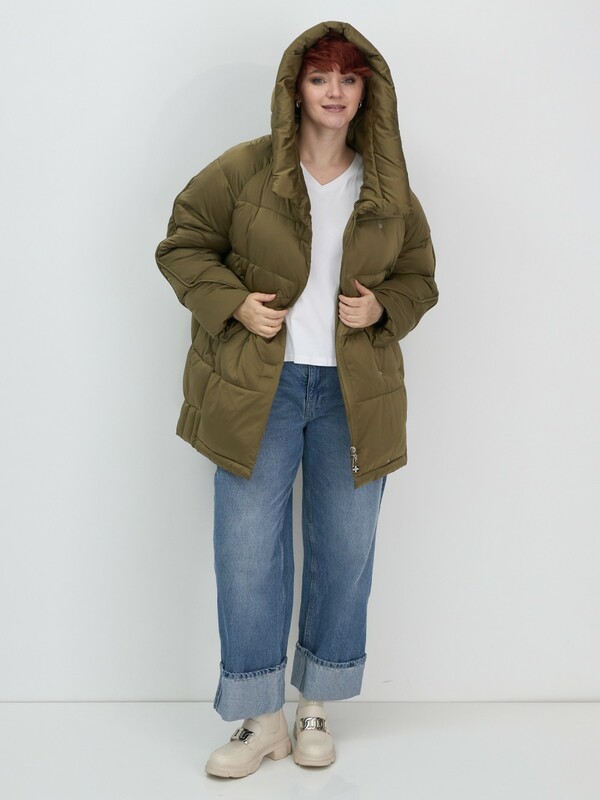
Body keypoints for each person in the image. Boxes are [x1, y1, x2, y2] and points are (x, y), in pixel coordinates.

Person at [156, 20, 438, 779]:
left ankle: (315, 705)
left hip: (355, 393)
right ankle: (261, 720)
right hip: (262, 388)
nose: (335, 92)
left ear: (367, 92)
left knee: (345, 551)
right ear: (296, 89)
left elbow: (420, 278)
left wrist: (383, 308)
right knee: (248, 553)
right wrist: (234, 304)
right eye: (320, 78)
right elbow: (181, 244)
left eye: (349, 79)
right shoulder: (244, 170)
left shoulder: (388, 187)